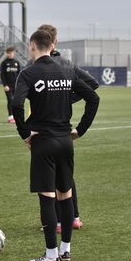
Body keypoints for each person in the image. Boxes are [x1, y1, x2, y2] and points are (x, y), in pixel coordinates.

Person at [11, 29, 99, 261]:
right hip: (65, 141)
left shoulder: (28, 73)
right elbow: (93, 97)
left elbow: (16, 104)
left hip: (43, 141)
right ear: (52, 45)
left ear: (32, 46)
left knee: (47, 198)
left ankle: (51, 256)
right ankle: (66, 250)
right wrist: (79, 130)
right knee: (65, 194)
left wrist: (25, 133)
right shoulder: (66, 69)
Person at [36, 24, 100, 233]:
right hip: (63, 129)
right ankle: (74, 217)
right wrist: (66, 99)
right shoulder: (66, 63)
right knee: (65, 174)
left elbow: (92, 85)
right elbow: (92, 84)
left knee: (49, 176)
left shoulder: (42, 64)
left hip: (47, 127)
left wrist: (63, 99)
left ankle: (56, 221)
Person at [0, 46, 20, 123]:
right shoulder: (4, 63)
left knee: (16, 101)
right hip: (8, 86)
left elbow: (19, 74)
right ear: (7, 53)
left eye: (12, 52)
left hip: (16, 86)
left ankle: (15, 116)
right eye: (9, 53)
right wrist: (5, 85)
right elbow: (2, 75)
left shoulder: (16, 63)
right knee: (10, 100)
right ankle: (10, 117)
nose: (10, 54)